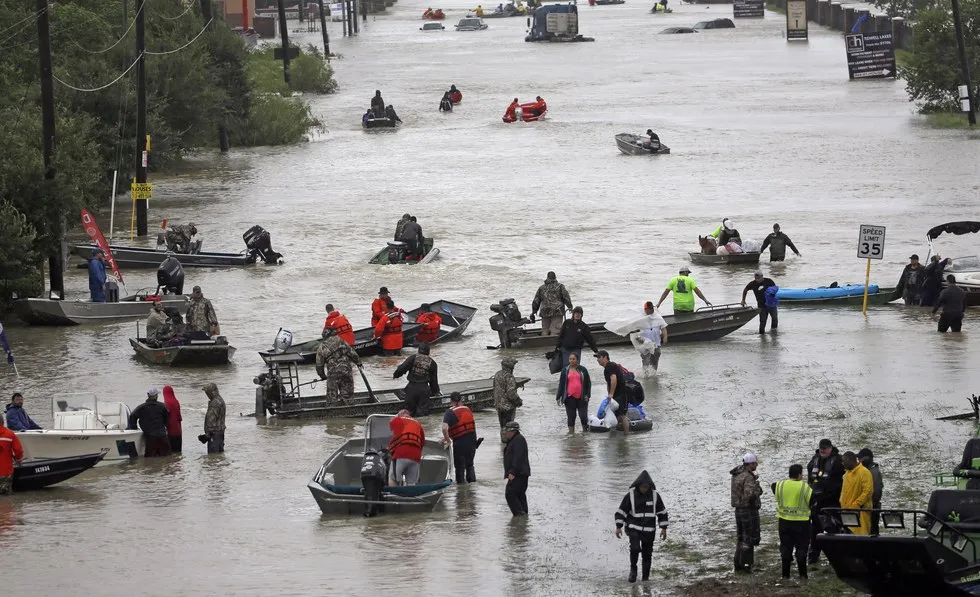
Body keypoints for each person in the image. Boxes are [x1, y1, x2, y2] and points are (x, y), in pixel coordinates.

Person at [614, 470, 669, 583]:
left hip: (649, 530)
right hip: (633, 528)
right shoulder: (630, 496)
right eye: (642, 487)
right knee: (635, 548)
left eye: (646, 487)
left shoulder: (655, 496)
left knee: (647, 555)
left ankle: (645, 579)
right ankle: (633, 570)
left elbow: (662, 512)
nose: (644, 489)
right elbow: (621, 511)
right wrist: (618, 527)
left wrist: (663, 528)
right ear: (638, 485)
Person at [806, 438, 845, 564]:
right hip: (817, 502)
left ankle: (837, 557)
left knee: (834, 529)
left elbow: (840, 482)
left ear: (830, 448)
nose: (823, 451)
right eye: (821, 448)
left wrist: (826, 491)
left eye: (825, 448)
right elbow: (810, 478)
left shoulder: (838, 461)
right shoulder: (814, 460)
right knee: (815, 529)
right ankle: (813, 556)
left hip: (833, 501)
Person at [771, 464, 812, 579]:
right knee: (801, 548)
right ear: (799, 474)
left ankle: (785, 575)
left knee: (785, 548)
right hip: (802, 522)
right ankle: (803, 575)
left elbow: (773, 486)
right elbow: (812, 499)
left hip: (784, 522)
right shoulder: (804, 486)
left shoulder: (781, 484)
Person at [731, 453, 763, 572]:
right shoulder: (748, 477)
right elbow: (750, 495)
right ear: (750, 464)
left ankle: (738, 563)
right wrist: (758, 490)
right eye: (755, 463)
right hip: (748, 510)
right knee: (749, 537)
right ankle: (746, 565)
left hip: (738, 510)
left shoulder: (737, 474)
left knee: (741, 537)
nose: (756, 465)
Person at [315, 327, 362, 405]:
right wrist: (359, 363)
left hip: (333, 374)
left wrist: (322, 376)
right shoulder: (342, 341)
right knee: (347, 396)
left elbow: (319, 365)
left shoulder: (322, 347)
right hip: (346, 371)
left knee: (332, 397)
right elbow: (353, 354)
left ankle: (333, 410)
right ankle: (350, 409)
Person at [393, 342, 440, 416]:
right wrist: (435, 392)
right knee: (422, 414)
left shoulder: (413, 358)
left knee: (408, 413)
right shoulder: (433, 363)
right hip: (424, 390)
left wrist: (396, 375)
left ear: (419, 350)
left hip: (411, 388)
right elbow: (434, 381)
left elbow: (402, 368)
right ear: (428, 351)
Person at [441, 391, 478, 484]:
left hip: (460, 442)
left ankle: (461, 488)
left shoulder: (449, 412)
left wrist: (448, 440)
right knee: (470, 464)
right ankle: (472, 487)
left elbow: (444, 428)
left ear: (451, 400)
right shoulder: (467, 409)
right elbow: (468, 427)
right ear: (461, 399)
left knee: (460, 467)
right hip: (472, 439)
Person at [596, 351, 631, 435]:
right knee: (616, 414)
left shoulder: (609, 366)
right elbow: (609, 383)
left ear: (605, 357)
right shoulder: (608, 367)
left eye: (599, 357)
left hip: (621, 394)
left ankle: (626, 436)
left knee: (622, 415)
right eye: (597, 358)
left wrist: (611, 394)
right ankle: (616, 435)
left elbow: (613, 378)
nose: (597, 360)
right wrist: (609, 395)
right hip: (616, 394)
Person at [128, 388, 171, 458]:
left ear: (148, 395)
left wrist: (134, 427)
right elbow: (167, 417)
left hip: (150, 437)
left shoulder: (141, 407)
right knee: (167, 457)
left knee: (150, 458)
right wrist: (164, 425)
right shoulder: (162, 406)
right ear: (156, 396)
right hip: (162, 436)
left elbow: (132, 416)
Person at [840, 451, 874, 535]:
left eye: (844, 461)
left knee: (861, 536)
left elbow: (867, 492)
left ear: (850, 460)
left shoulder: (864, 472)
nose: (842, 463)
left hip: (860, 512)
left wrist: (856, 504)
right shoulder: (846, 474)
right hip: (846, 512)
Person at [556, 352, 591, 432]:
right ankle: (571, 435)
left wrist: (588, 395)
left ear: (577, 360)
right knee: (571, 417)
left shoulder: (583, 369)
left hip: (582, 397)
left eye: (573, 359)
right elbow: (561, 384)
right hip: (569, 397)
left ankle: (585, 434)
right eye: (570, 359)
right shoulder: (565, 370)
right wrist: (558, 396)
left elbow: (588, 383)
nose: (571, 360)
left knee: (583, 417)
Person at [389, 410, 425, 486]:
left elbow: (391, 424)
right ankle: (411, 492)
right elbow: (422, 443)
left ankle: (393, 493)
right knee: (411, 482)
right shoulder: (418, 424)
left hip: (401, 454)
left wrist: (396, 417)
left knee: (393, 478)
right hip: (416, 456)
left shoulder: (398, 420)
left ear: (399, 415)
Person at [631, 302, 668, 376]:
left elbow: (663, 328)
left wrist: (665, 336)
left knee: (655, 358)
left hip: (656, 343)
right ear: (645, 309)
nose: (651, 310)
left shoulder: (657, 317)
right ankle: (645, 375)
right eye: (649, 309)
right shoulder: (640, 318)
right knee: (646, 359)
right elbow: (634, 332)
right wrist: (639, 341)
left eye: (652, 308)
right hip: (644, 343)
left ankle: (653, 375)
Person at [502, 420, 530, 516]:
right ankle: (524, 517)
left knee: (510, 494)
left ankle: (519, 516)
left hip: (519, 474)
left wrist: (512, 472)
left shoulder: (518, 440)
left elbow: (518, 457)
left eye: (507, 431)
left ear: (513, 431)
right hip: (520, 473)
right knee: (520, 495)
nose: (505, 433)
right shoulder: (514, 439)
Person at [532, 271, 573, 336]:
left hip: (545, 312)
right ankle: (553, 341)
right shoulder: (560, 286)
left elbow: (536, 300)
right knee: (555, 330)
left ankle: (543, 341)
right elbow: (566, 297)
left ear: (547, 277)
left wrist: (534, 311)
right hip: (557, 311)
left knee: (545, 330)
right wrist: (570, 307)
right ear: (555, 277)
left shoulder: (541, 288)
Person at [493, 357, 523, 434]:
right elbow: (511, 393)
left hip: (499, 406)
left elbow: (495, 388)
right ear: (510, 367)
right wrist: (518, 401)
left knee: (503, 427)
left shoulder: (497, 374)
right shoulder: (509, 376)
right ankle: (508, 441)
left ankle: (503, 440)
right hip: (508, 407)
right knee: (509, 428)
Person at [858, 448, 883, 535]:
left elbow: (877, 491)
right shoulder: (869, 470)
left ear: (866, 458)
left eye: (860, 459)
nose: (859, 461)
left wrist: (870, 504)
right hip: (867, 507)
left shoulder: (873, 472)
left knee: (872, 532)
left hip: (871, 508)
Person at [0, 416, 24, 495]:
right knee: (5, 496)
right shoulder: (9, 434)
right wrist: (19, 459)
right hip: (5, 471)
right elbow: (18, 450)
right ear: (3, 422)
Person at [202, 383, 226, 454]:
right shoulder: (221, 400)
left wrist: (207, 435)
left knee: (212, 457)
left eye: (207, 392)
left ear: (211, 392)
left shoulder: (214, 403)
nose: (207, 395)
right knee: (219, 454)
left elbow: (211, 421)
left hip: (214, 435)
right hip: (220, 433)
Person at [162, 385, 182, 453]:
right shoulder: (176, 401)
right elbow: (179, 417)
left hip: (170, 432)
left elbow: (165, 419)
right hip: (178, 430)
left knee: (172, 453)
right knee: (178, 452)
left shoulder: (166, 403)